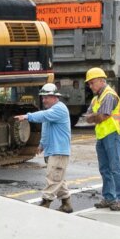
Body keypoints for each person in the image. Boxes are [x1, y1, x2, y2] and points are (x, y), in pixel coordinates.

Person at [80, 66, 120, 210]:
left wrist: (94, 116)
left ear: (102, 81)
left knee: (116, 168)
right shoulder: (96, 99)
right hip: (102, 136)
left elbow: (103, 116)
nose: (90, 86)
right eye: (89, 83)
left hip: (113, 134)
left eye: (92, 82)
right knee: (105, 168)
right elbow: (88, 118)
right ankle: (109, 197)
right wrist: (94, 117)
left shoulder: (109, 95)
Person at [25, 81, 72, 212]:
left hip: (59, 151)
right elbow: (45, 131)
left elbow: (43, 116)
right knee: (58, 178)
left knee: (53, 178)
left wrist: (27, 116)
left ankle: (46, 202)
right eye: (43, 97)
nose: (44, 100)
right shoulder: (50, 111)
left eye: (46, 97)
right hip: (53, 151)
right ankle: (66, 204)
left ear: (55, 97)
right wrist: (42, 145)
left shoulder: (59, 109)